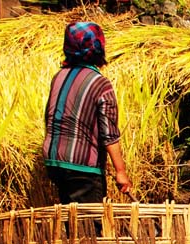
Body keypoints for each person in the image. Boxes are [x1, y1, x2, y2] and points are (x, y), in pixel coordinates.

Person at [43, 21, 131, 204]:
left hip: (54, 162)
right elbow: (109, 134)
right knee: (89, 225)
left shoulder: (59, 77)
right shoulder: (100, 84)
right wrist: (120, 172)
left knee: (72, 218)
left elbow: (49, 117)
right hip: (82, 167)